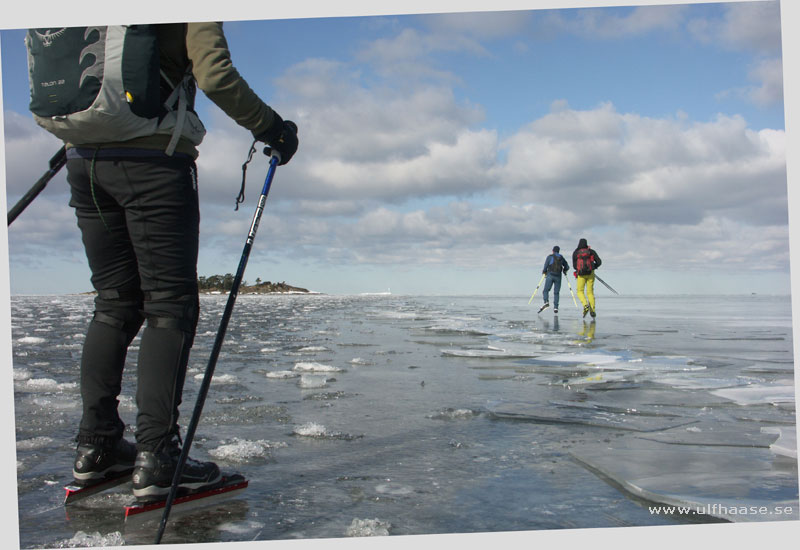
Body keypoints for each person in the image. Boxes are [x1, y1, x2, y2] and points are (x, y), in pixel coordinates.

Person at [42, 23, 299, 500]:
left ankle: (96, 447)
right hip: (153, 162)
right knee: (169, 306)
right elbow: (215, 75)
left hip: (83, 160)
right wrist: (272, 127)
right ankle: (158, 456)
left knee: (114, 303)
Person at [572, 238, 602, 318]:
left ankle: (585, 305)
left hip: (581, 275)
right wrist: (593, 267)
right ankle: (592, 310)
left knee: (580, 291)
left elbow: (574, 266)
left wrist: (580, 269)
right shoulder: (591, 251)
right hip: (590, 274)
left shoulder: (576, 253)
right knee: (590, 292)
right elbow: (599, 262)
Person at [538, 246, 569, 314]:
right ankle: (556, 307)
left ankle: (546, 302)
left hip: (550, 275)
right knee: (556, 292)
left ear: (553, 251)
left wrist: (544, 271)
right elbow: (567, 266)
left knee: (546, 290)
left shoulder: (550, 257)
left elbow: (545, 265)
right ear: (558, 251)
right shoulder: (561, 257)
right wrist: (565, 270)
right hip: (558, 276)